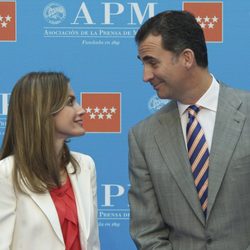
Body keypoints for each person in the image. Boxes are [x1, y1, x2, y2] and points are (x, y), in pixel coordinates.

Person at [128, 10, 250, 250]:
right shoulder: (143, 137)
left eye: (152, 62)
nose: (145, 76)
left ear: (186, 58)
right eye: (143, 64)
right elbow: (148, 232)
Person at [0, 72, 100, 250]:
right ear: (43, 110)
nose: (81, 110)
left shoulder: (85, 166)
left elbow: (92, 243)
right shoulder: (6, 173)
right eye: (70, 102)